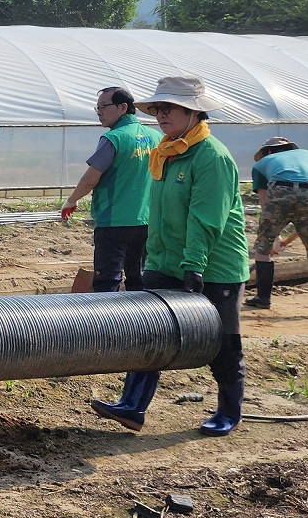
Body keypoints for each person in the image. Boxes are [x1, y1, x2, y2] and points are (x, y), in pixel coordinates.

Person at [90, 77, 249, 436]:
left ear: (193, 112)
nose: (161, 115)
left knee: (222, 340)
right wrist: (155, 260)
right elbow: (158, 213)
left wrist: (194, 266)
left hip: (214, 266)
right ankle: (132, 407)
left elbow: (205, 218)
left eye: (169, 108)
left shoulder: (212, 157)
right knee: (150, 334)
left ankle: (230, 410)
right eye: (157, 109)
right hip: (165, 261)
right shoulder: (165, 151)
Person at [61, 87, 162, 291]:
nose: (99, 112)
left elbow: (91, 179)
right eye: (97, 108)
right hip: (147, 221)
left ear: (123, 107)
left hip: (113, 222)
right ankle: (142, 321)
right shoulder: (156, 137)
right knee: (139, 278)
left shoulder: (114, 138)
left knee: (107, 281)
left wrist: (71, 200)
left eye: (103, 107)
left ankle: (110, 323)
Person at [246, 137, 308, 318]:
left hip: (280, 191)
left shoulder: (260, 165)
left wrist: (274, 237)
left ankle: (263, 298)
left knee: (262, 248)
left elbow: (265, 204)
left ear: (268, 151)